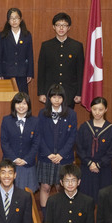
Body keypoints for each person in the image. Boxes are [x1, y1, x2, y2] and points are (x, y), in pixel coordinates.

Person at [35, 83, 78, 212]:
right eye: (54, 97)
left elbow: (72, 137)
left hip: (64, 158)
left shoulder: (71, 114)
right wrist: (48, 154)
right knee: (45, 187)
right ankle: (45, 216)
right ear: (49, 98)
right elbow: (39, 135)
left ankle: (61, 212)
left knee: (62, 187)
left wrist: (61, 155)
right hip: (46, 157)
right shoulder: (42, 113)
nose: (57, 100)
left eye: (59, 97)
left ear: (63, 99)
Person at [36, 13, 84, 108]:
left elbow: (80, 71)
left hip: (70, 92)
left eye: (64, 25)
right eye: (58, 25)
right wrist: (41, 93)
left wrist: (79, 93)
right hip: (50, 92)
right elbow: (41, 71)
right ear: (54, 27)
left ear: (69, 27)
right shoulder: (46, 46)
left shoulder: (77, 46)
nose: (61, 28)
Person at [76, 96, 112, 200]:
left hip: (103, 169)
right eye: (94, 109)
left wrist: (99, 164)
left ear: (106, 110)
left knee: (104, 200)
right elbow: (79, 148)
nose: (97, 112)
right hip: (86, 168)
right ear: (90, 109)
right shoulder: (84, 127)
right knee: (86, 200)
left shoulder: (111, 129)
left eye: (100, 109)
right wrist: (89, 163)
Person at [0, 91, 39, 192]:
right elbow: (4, 142)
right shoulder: (6, 120)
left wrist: (26, 159)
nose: (21, 106)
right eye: (18, 103)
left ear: (28, 105)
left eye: (24, 103)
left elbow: (36, 143)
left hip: (28, 164)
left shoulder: (35, 121)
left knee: (28, 195)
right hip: (10, 163)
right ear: (14, 105)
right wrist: (14, 159)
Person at [0, 8, 34, 94]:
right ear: (8, 21)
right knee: (8, 98)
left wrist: (30, 73)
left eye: (16, 18)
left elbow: (30, 55)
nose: (14, 21)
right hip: (7, 72)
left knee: (22, 98)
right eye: (11, 18)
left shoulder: (27, 35)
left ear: (20, 19)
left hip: (22, 73)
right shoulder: (3, 35)